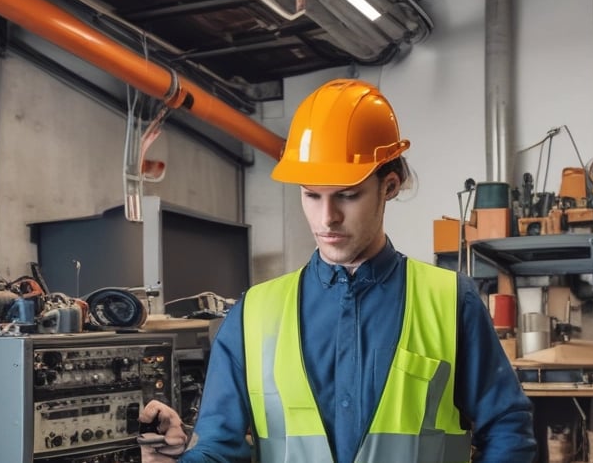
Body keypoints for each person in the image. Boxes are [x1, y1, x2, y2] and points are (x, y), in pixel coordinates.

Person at [139, 79, 536, 463]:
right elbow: (219, 447)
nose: (326, 217)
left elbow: (507, 429)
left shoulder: (450, 301)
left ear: (390, 185)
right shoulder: (253, 315)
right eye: (311, 195)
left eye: (348, 195)